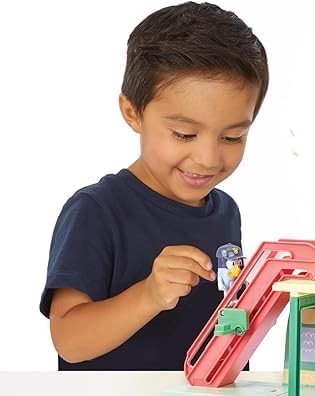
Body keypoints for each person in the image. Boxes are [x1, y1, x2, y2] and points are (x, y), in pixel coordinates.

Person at [39, 2, 268, 370]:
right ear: (133, 113)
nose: (208, 159)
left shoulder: (226, 211)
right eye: (184, 134)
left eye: (232, 137)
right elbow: (69, 341)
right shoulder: (96, 210)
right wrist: (149, 294)